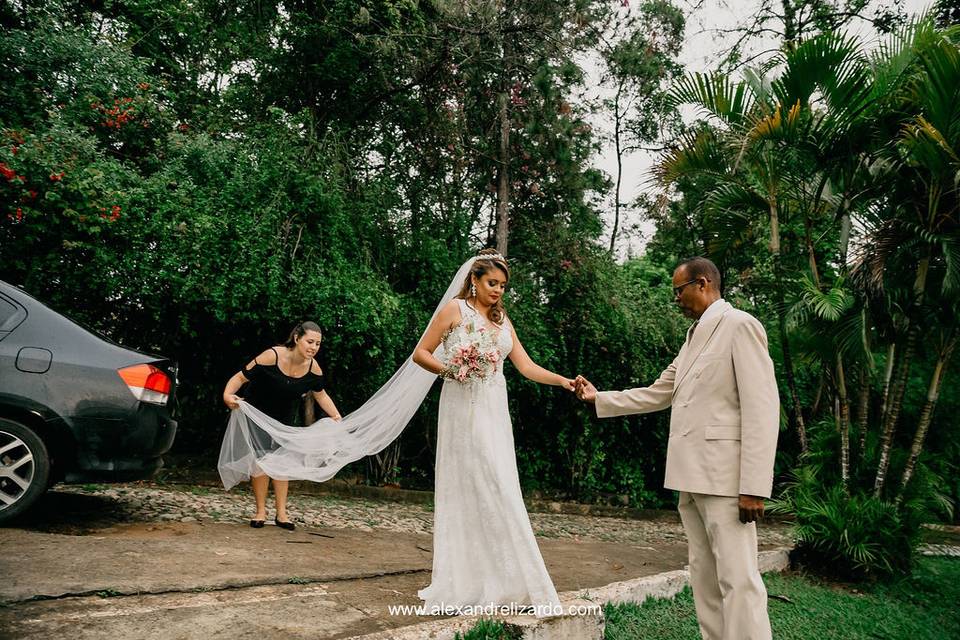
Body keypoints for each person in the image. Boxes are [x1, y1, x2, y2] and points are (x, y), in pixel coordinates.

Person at [574, 257, 779, 640]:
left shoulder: (740, 326)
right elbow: (659, 392)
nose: (676, 300)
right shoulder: (692, 338)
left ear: (702, 284)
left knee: (739, 579)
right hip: (690, 477)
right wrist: (599, 398)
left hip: (727, 480)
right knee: (704, 575)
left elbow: (763, 409)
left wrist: (754, 485)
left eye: (678, 290)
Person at [412, 249, 575, 615]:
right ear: (474, 280)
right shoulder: (456, 310)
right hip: (462, 407)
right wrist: (450, 370)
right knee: (480, 484)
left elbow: (527, 366)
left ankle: (506, 579)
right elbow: (420, 353)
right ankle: (467, 579)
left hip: (494, 410)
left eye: (503, 285)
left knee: (499, 483)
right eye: (492, 283)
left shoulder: (502, 319)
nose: (498, 290)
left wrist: (563, 381)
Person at [222, 321, 341, 530]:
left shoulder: (314, 369)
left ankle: (282, 513)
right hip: (257, 414)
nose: (314, 347)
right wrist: (226, 395)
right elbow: (240, 377)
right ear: (297, 338)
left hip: (284, 420)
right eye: (310, 341)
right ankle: (260, 512)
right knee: (260, 461)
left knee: (282, 462)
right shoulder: (272, 356)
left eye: (318, 344)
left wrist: (337, 417)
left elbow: (321, 396)